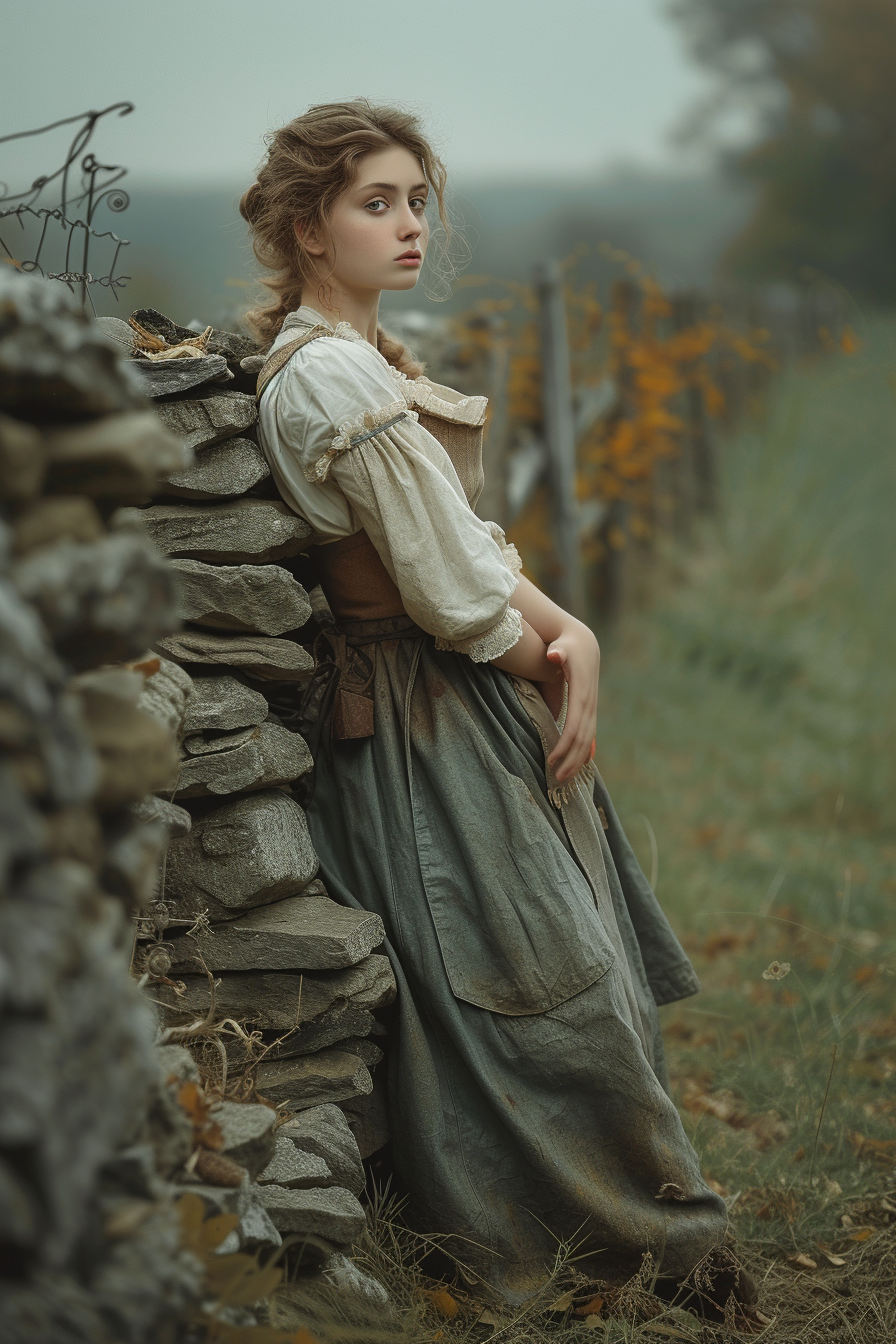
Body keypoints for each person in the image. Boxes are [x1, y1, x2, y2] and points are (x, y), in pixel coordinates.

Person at [242, 99, 760, 1328]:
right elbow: (446, 589)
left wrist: (569, 635)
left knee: (572, 962)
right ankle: (626, 1236)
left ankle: (640, 1231)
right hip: (418, 725)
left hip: (463, 697)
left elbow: (468, 546)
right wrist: (550, 658)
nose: (411, 223)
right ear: (310, 229)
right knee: (535, 983)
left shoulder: (368, 362)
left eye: (419, 199)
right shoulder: (322, 377)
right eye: (378, 203)